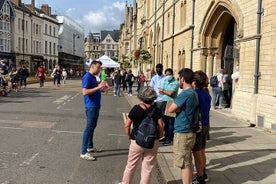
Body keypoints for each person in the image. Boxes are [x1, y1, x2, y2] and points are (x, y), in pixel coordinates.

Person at [121, 86, 164, 184]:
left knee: (131, 166)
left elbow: (127, 125)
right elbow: (161, 126)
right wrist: (159, 137)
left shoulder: (136, 109)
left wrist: (129, 136)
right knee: (147, 169)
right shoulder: (157, 110)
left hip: (137, 141)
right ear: (153, 97)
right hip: (152, 142)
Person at [168, 68, 198, 184]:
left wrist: (177, 107)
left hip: (183, 132)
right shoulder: (194, 93)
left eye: (179, 78)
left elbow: (171, 109)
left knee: (184, 164)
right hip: (190, 131)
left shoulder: (185, 93)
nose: (179, 81)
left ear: (183, 79)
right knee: (188, 161)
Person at [80, 60, 107, 161]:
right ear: (92, 66)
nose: (99, 70)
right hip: (90, 106)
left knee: (92, 126)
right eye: (98, 68)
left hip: (95, 105)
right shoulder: (87, 77)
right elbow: (85, 92)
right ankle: (83, 152)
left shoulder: (93, 77)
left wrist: (102, 89)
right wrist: (99, 87)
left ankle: (89, 146)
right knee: (89, 127)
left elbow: (95, 89)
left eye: (100, 68)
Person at [192, 71, 211, 184]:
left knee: (197, 152)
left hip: (198, 125)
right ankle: (203, 173)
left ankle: (200, 177)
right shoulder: (206, 93)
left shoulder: (196, 93)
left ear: (194, 82)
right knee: (202, 151)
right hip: (206, 124)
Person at [159, 68, 179, 146]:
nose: (167, 76)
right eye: (166, 75)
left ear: (172, 74)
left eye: (169, 75)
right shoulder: (165, 81)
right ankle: (166, 136)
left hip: (171, 102)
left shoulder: (175, 83)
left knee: (171, 122)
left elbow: (171, 93)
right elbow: (160, 91)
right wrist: (165, 91)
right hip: (164, 101)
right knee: (165, 121)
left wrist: (164, 91)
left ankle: (170, 138)